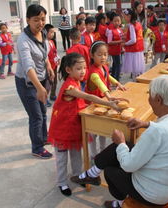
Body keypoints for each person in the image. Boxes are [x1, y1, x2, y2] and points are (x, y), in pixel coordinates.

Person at [71, 75, 168, 208]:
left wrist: (120, 142)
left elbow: (128, 166)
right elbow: (167, 129)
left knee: (110, 170)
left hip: (154, 194)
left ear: (159, 100)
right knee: (122, 148)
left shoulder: (157, 132)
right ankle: (92, 174)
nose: (148, 99)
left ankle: (120, 202)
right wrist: (146, 123)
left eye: (150, 95)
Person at [48, 53, 120, 196]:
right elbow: (87, 96)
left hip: (73, 126)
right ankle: (62, 183)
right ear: (69, 70)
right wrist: (108, 103)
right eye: (79, 68)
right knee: (62, 159)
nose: (83, 71)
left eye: (84, 68)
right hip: (62, 130)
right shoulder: (69, 86)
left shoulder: (76, 82)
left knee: (76, 155)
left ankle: (77, 176)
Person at [15, 4, 55, 159]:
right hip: (27, 83)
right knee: (36, 116)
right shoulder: (23, 40)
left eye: (43, 19)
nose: (40, 23)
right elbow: (27, 65)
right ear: (28, 20)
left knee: (43, 113)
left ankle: (43, 138)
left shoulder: (43, 33)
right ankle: (37, 147)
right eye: (36, 20)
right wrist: (39, 87)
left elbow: (44, 54)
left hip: (42, 79)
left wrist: (49, 66)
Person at [86, 41, 126, 158]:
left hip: (103, 104)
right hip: (92, 105)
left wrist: (118, 83)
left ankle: (102, 152)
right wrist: (109, 97)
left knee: (102, 130)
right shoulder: (93, 72)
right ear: (92, 55)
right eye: (99, 54)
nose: (103, 57)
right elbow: (101, 84)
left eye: (105, 54)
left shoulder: (104, 67)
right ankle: (94, 155)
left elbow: (107, 76)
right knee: (93, 133)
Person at [121, 9, 145, 78]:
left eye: (124, 16)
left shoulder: (131, 25)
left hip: (133, 50)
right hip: (139, 49)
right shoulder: (138, 24)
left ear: (129, 16)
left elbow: (133, 40)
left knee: (135, 71)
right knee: (138, 70)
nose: (124, 18)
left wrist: (125, 44)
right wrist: (126, 35)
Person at [45, 24, 60, 104]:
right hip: (48, 67)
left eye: (53, 32)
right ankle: (45, 98)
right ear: (45, 32)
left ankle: (53, 95)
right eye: (51, 32)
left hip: (54, 65)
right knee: (48, 83)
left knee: (55, 81)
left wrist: (58, 58)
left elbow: (55, 52)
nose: (53, 34)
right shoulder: (44, 43)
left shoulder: (51, 41)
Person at [107, 13, 123, 81]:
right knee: (118, 64)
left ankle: (113, 76)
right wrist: (119, 41)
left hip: (119, 49)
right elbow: (109, 42)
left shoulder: (120, 29)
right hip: (114, 50)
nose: (117, 22)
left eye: (118, 21)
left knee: (115, 64)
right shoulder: (111, 31)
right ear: (112, 22)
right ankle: (116, 79)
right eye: (115, 21)